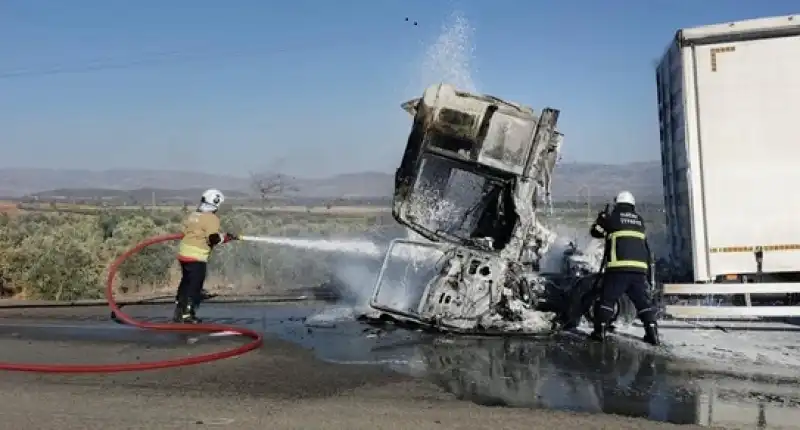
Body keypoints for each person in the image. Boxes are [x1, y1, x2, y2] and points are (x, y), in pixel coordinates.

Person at [588, 190, 659, 345]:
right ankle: (653, 334)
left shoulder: (612, 218)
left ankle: (600, 331)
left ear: (617, 203)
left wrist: (600, 219)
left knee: (607, 300)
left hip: (618, 268)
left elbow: (595, 233)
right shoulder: (639, 220)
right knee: (643, 303)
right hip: (639, 270)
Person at [173, 188, 239, 323]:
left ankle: (179, 311)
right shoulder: (211, 218)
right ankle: (187, 315)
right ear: (216, 203)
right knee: (195, 286)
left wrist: (222, 237)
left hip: (184, 254)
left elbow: (187, 231)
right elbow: (213, 239)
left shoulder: (194, 215)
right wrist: (225, 238)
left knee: (186, 282)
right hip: (196, 257)